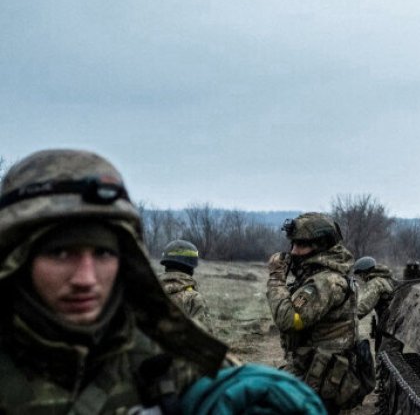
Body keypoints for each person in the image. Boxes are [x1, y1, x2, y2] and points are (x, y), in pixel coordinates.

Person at [0, 149, 325, 414]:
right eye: (60, 254)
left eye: (102, 253)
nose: (85, 278)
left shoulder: (163, 364)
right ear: (16, 259)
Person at [267, 212, 374, 414]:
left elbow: (289, 320)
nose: (294, 252)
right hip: (321, 376)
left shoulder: (325, 282)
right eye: (293, 244)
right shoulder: (326, 275)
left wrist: (275, 279)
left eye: (301, 245)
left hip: (320, 380)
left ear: (322, 246)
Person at [159, 239, 212, 331]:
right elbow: (204, 339)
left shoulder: (148, 290)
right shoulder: (193, 299)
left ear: (166, 265)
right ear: (191, 268)